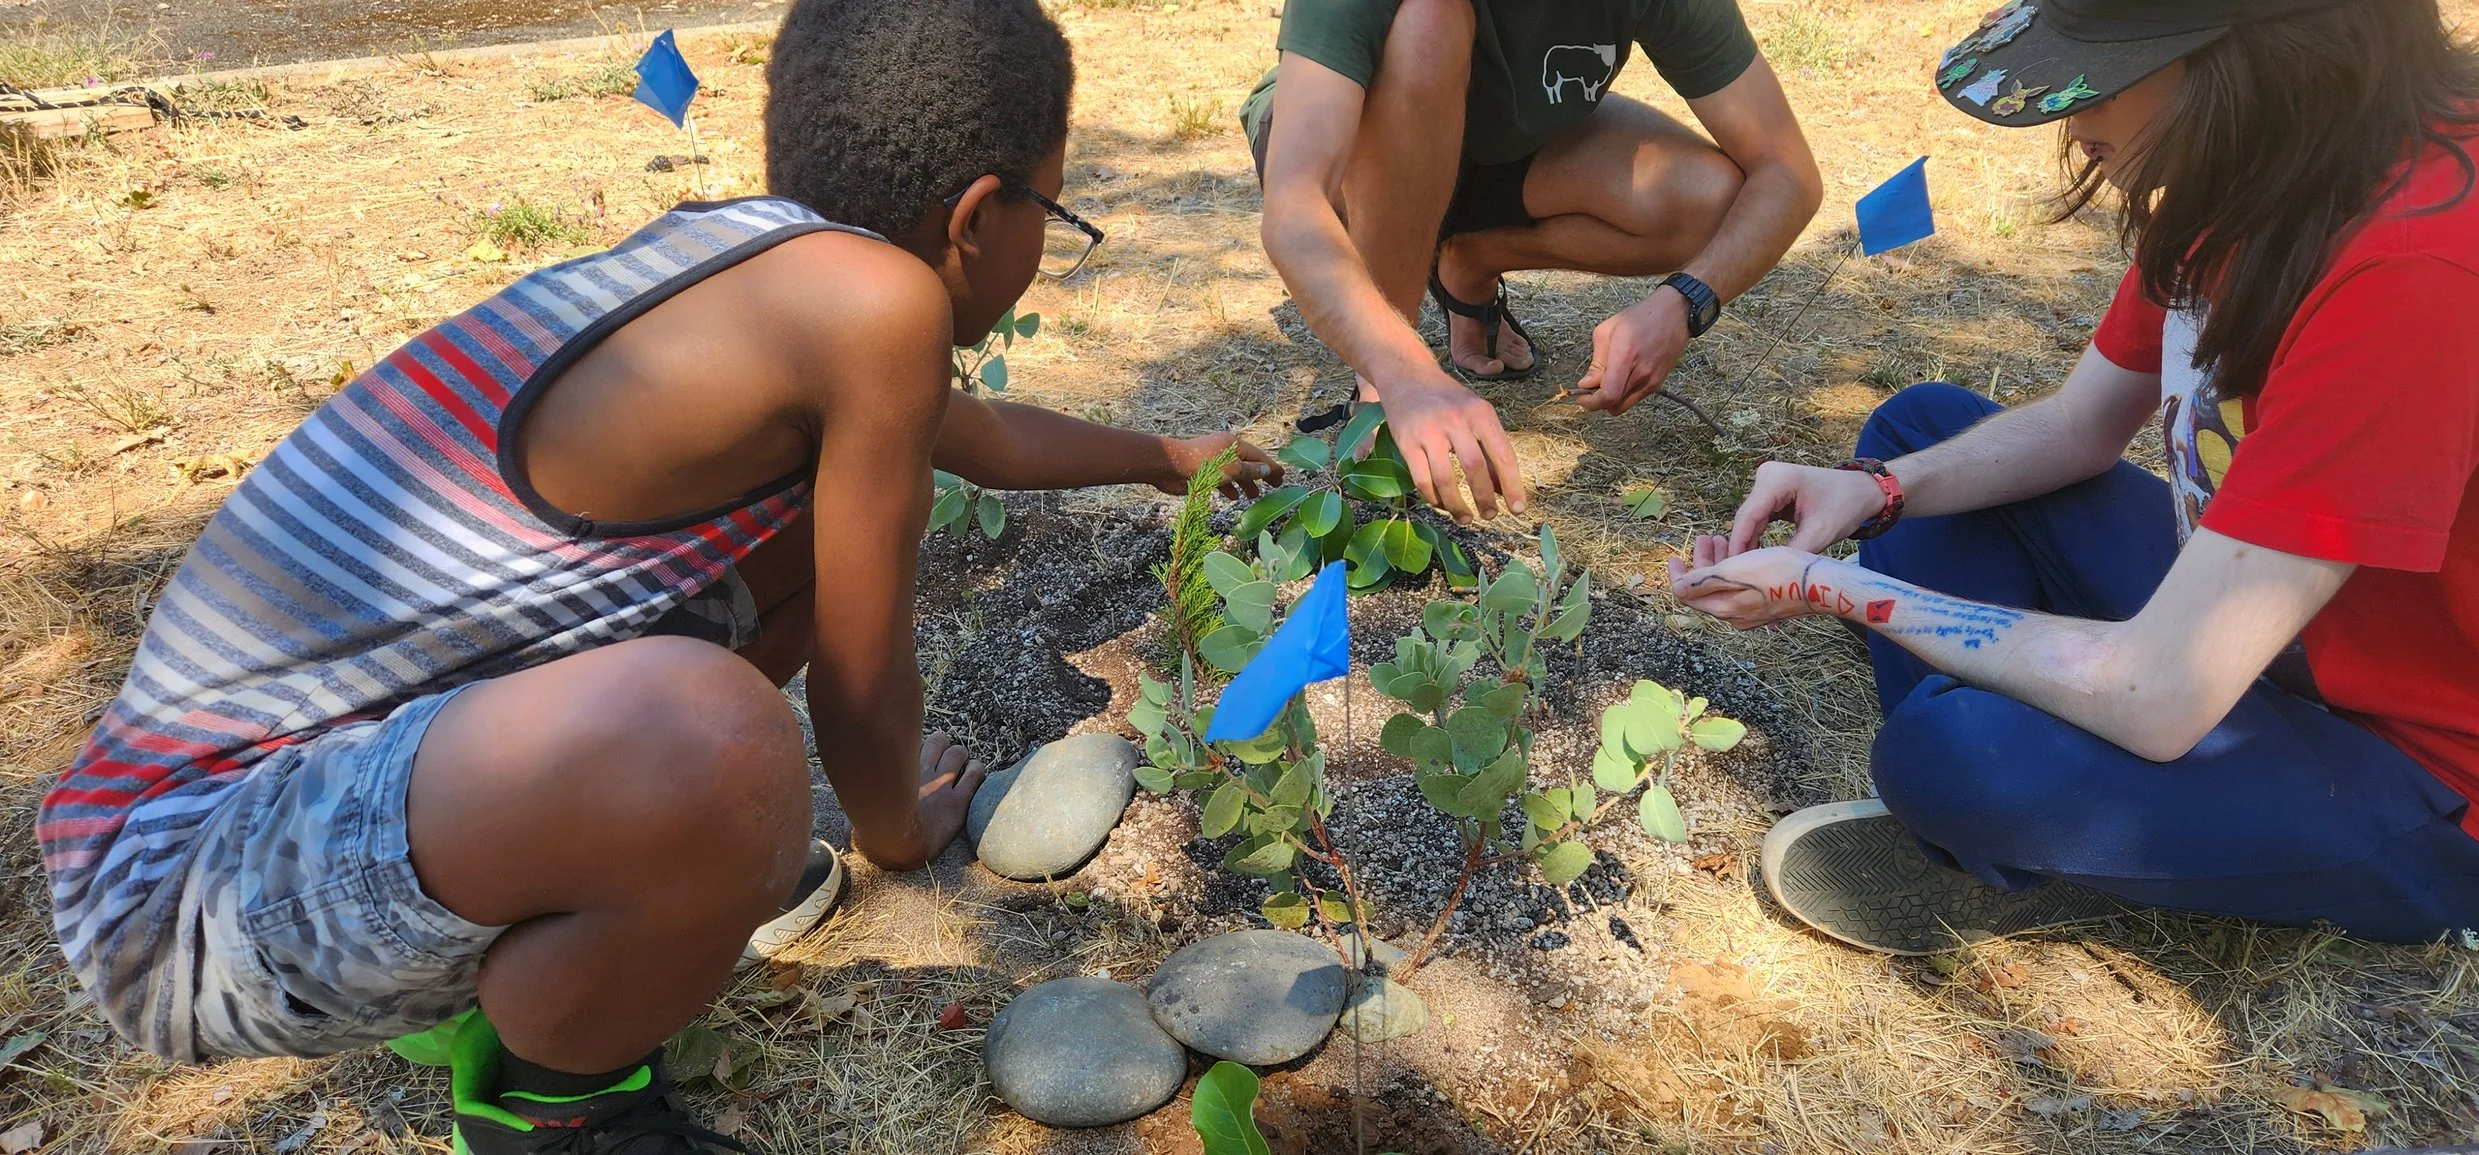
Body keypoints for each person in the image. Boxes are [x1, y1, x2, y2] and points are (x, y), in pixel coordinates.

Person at [35, 0, 1274, 1149]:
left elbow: (980, 436)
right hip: (186, 906)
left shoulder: (746, 261)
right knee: (717, 742)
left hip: (229, 826)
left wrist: (1171, 458)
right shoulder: (878, 308)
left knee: (789, 549)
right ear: (975, 216)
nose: (1045, 248)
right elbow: (858, 679)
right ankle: (561, 1105)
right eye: (1055, 218)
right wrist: (895, 832)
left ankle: (552, 909)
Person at [1671, 0, 2479, 954]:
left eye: (2103, 75)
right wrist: (1876, 492)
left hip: (2427, 767)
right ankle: (2036, 819)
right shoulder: (2264, 164)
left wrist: (1846, 589)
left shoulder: (2417, 269)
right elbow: (2079, 426)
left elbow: (2162, 690)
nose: (2074, 121)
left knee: (1957, 753)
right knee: (1918, 433)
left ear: (2248, 67)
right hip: (2266, 631)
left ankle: (2024, 824)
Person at [1243, 0, 1823, 523]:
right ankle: (1378, 397)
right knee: (1428, 19)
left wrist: (1683, 303)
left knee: (1708, 202)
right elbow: (1295, 207)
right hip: (1360, 132)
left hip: (1503, 149)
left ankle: (1467, 259)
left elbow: (1788, 174)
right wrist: (1402, 371)